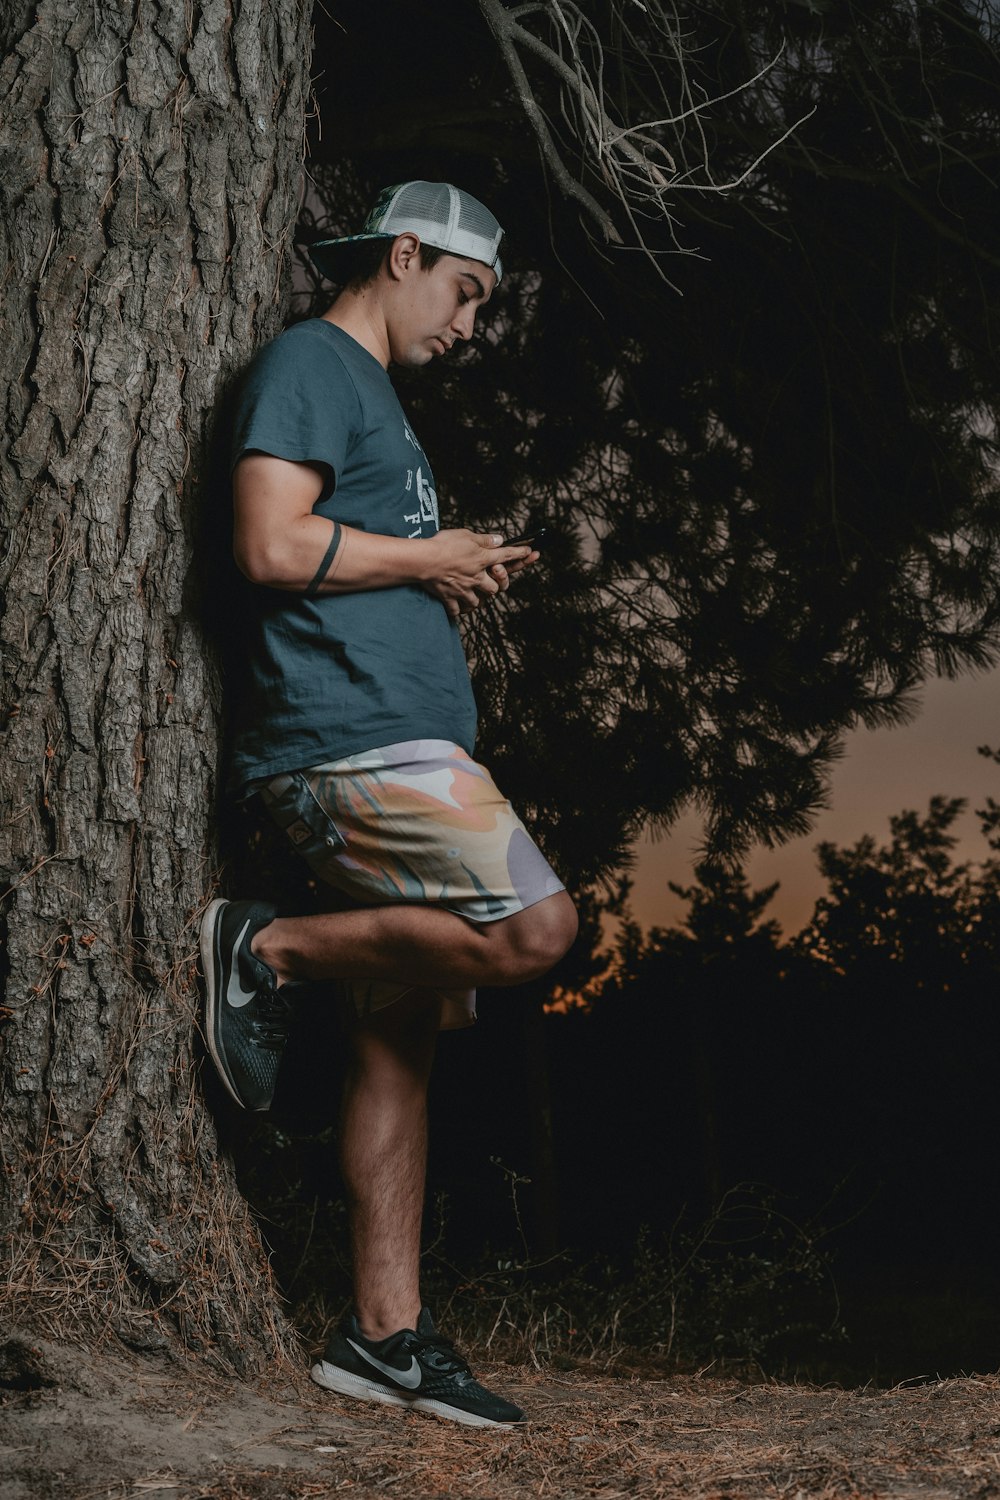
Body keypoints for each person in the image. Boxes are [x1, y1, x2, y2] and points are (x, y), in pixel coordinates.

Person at [200, 181, 578, 1428]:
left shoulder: (380, 410)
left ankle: (384, 1341)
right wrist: (432, 557)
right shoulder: (315, 360)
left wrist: (436, 579)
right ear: (404, 255)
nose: (469, 326)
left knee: (396, 1049)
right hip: (351, 751)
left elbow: (340, 548)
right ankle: (266, 949)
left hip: (392, 744)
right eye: (464, 293)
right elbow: (266, 541)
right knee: (538, 930)